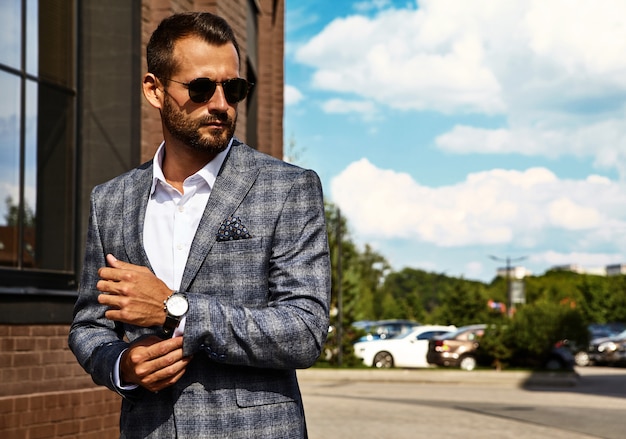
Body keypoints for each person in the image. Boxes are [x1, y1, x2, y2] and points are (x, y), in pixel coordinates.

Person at [68, 11, 331, 439]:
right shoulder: (110, 201)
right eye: (202, 87)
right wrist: (121, 364)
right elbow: (89, 325)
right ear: (154, 90)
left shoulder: (288, 188)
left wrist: (178, 309)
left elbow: (304, 330)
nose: (221, 104)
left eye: (234, 88)